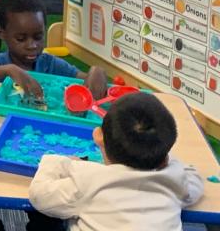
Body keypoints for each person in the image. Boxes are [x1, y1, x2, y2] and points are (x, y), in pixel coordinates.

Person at [0, 0, 108, 231]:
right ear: (2, 33)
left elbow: (85, 80)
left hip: (42, 153)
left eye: (39, 37)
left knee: (50, 214)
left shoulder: (49, 64)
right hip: (0, 151)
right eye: (22, 38)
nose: (33, 46)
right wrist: (9, 69)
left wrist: (96, 72)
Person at [29, 92, 204, 231]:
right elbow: (194, 181)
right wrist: (165, 159)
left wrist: (58, 162)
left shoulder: (87, 180)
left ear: (98, 136)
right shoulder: (175, 179)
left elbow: (39, 195)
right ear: (165, 156)